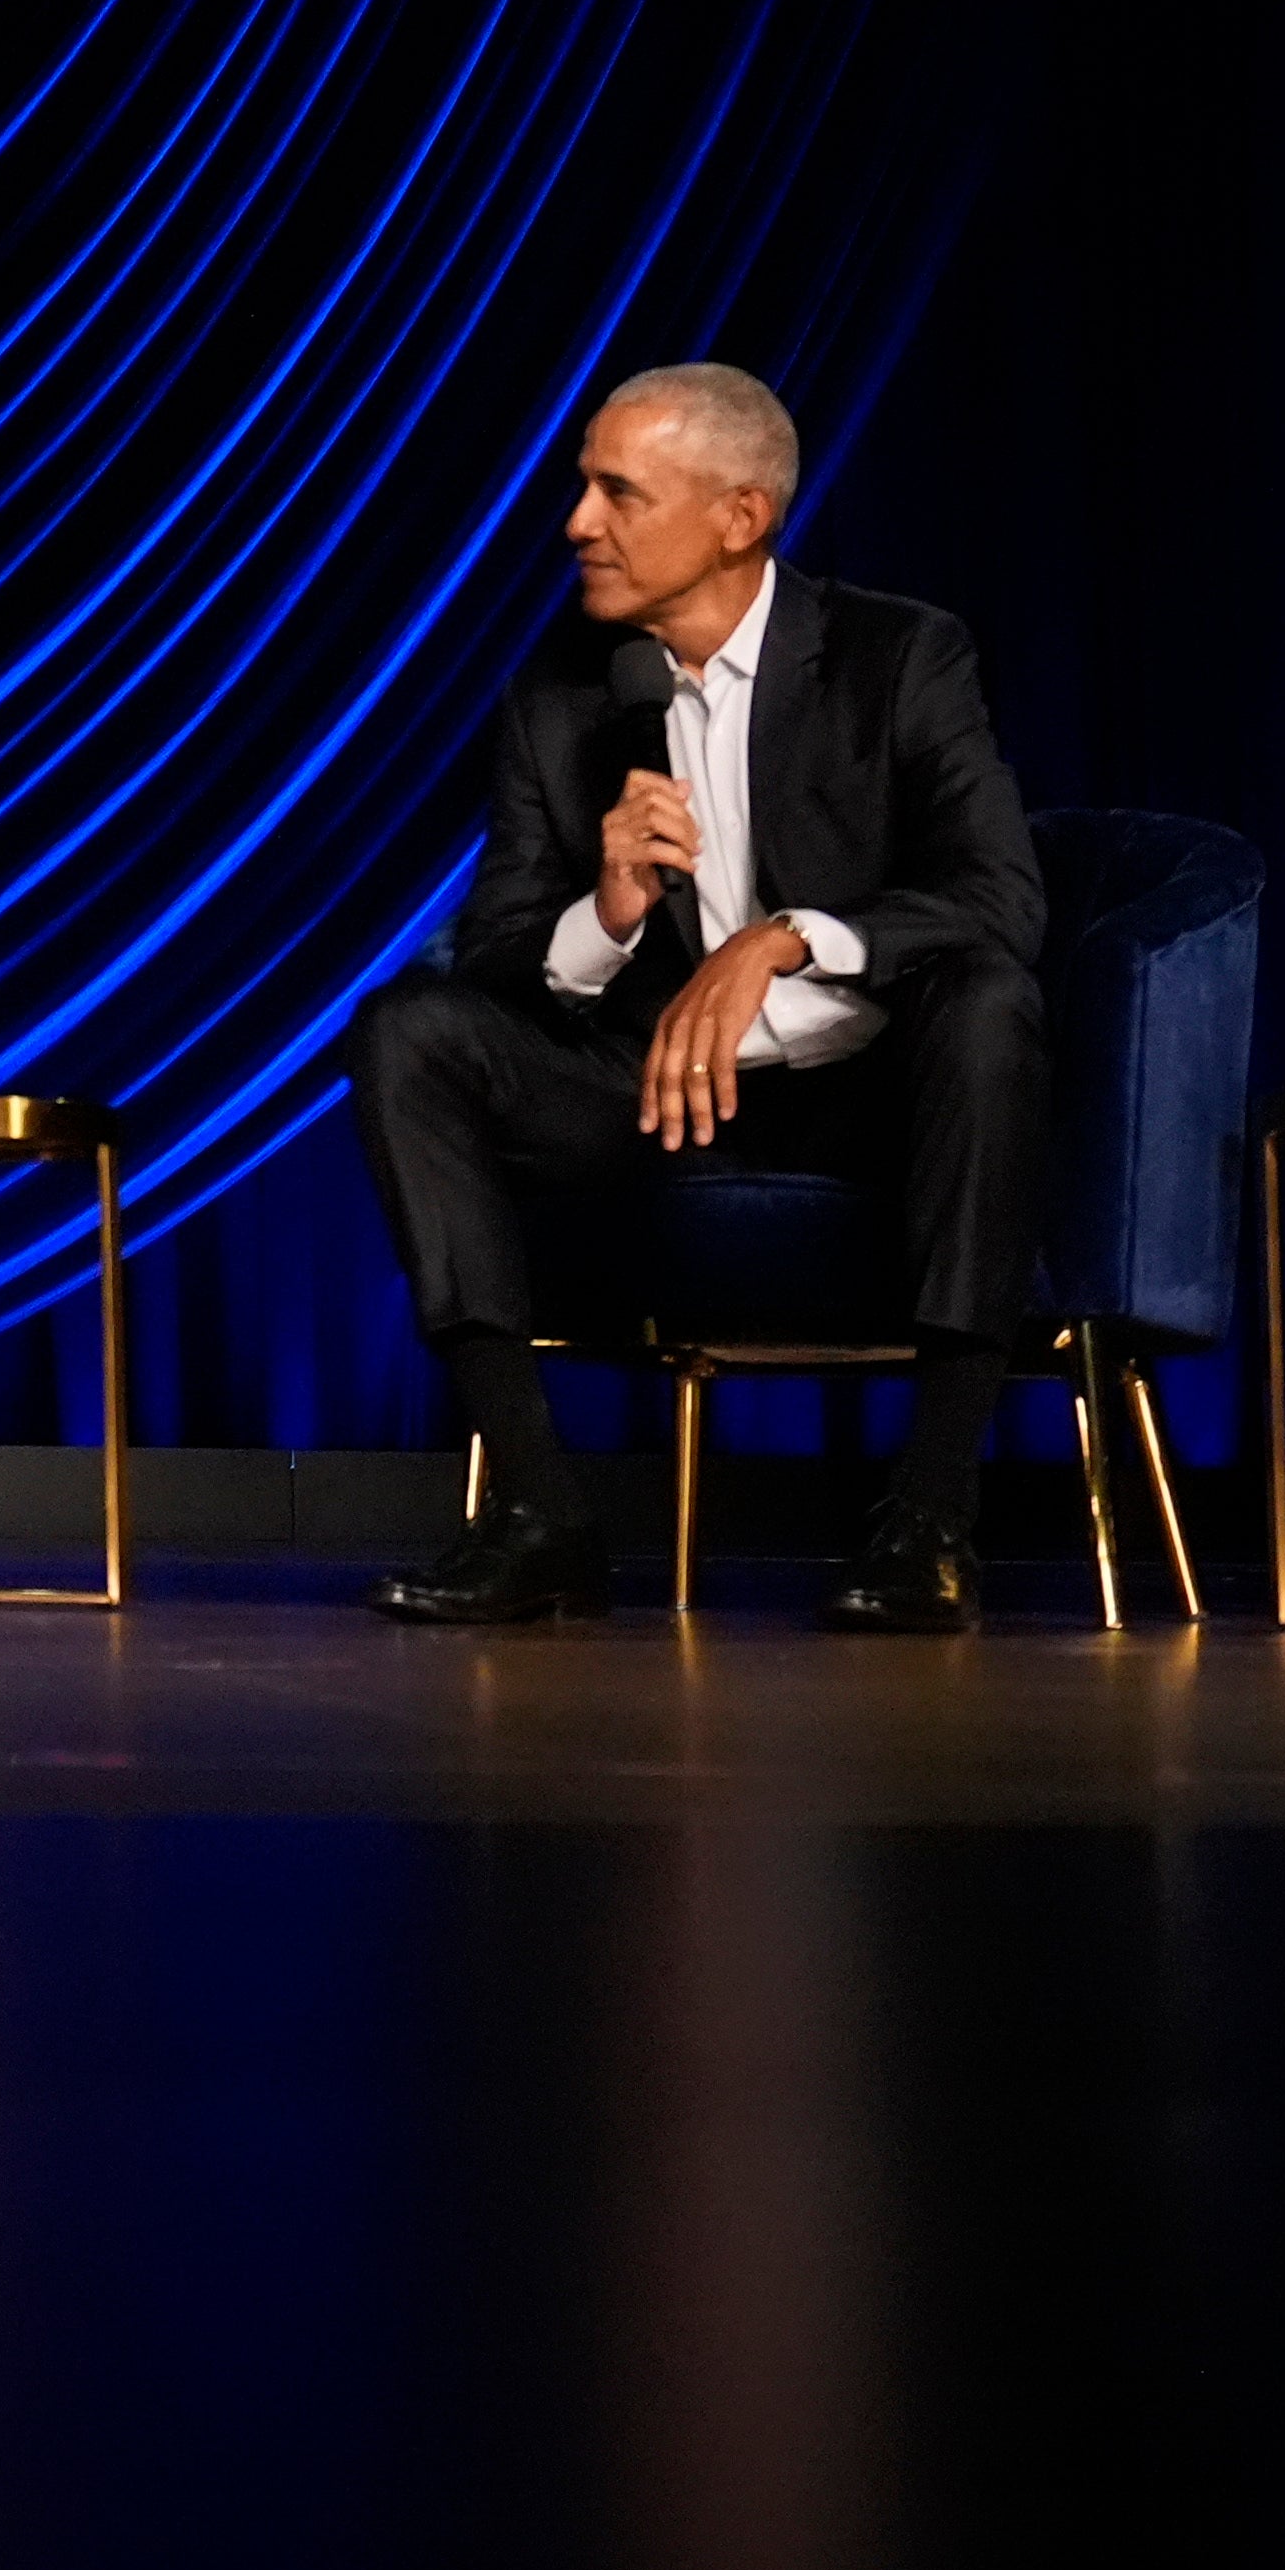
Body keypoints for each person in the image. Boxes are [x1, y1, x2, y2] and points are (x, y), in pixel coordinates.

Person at [350, 362, 1048, 1633]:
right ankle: (539, 1509)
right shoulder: (562, 694)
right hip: (652, 1093)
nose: (578, 521)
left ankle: (930, 1517)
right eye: (583, 487)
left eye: (619, 491)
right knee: (411, 1033)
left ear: (739, 517)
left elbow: (998, 897)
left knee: (992, 1003)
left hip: (863, 1091)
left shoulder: (897, 655)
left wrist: (781, 939)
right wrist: (608, 909)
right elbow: (501, 949)